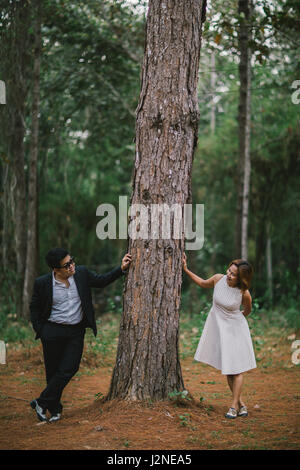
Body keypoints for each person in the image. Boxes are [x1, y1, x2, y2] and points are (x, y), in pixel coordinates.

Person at [29, 247, 132, 423]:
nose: (72, 266)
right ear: (56, 269)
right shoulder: (43, 283)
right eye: (66, 265)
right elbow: (34, 307)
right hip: (53, 331)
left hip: (75, 331)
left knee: (70, 367)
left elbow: (101, 281)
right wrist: (42, 330)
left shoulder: (81, 274)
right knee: (53, 372)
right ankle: (54, 409)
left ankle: (40, 402)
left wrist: (121, 268)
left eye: (72, 261)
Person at [182, 253, 256, 419]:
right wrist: (185, 269)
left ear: (241, 278)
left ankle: (233, 406)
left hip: (235, 330)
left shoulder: (243, 293)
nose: (228, 275)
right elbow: (202, 283)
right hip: (220, 329)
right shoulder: (218, 279)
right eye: (229, 271)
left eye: (233, 274)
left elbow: (248, 310)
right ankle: (241, 404)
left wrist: (236, 321)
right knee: (229, 370)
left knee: (236, 370)